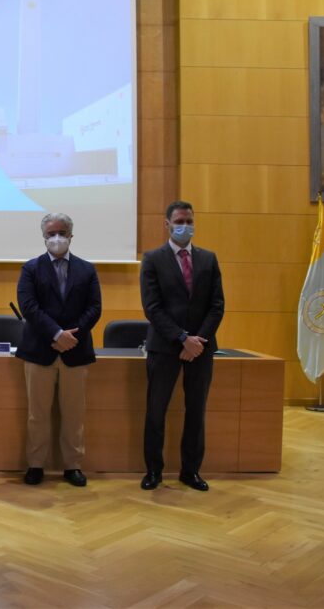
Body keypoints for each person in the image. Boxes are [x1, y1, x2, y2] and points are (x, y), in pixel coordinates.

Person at [139, 200, 225, 491]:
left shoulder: (209, 259)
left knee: (196, 411)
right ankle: (154, 472)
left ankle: (191, 471)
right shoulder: (152, 259)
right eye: (179, 221)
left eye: (189, 220)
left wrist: (197, 340)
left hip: (201, 349)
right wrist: (181, 338)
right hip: (164, 347)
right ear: (167, 224)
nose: (185, 226)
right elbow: (152, 307)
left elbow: (217, 306)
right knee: (155, 411)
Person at [15, 213, 102, 486]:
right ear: (43, 237)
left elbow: (94, 308)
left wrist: (70, 335)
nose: (57, 238)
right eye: (51, 233)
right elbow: (29, 306)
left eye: (62, 232)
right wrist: (55, 333)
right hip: (40, 350)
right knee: (37, 413)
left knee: (74, 414)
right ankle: (36, 465)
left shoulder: (87, 270)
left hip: (75, 352)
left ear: (71, 235)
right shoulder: (31, 269)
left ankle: (72, 465)